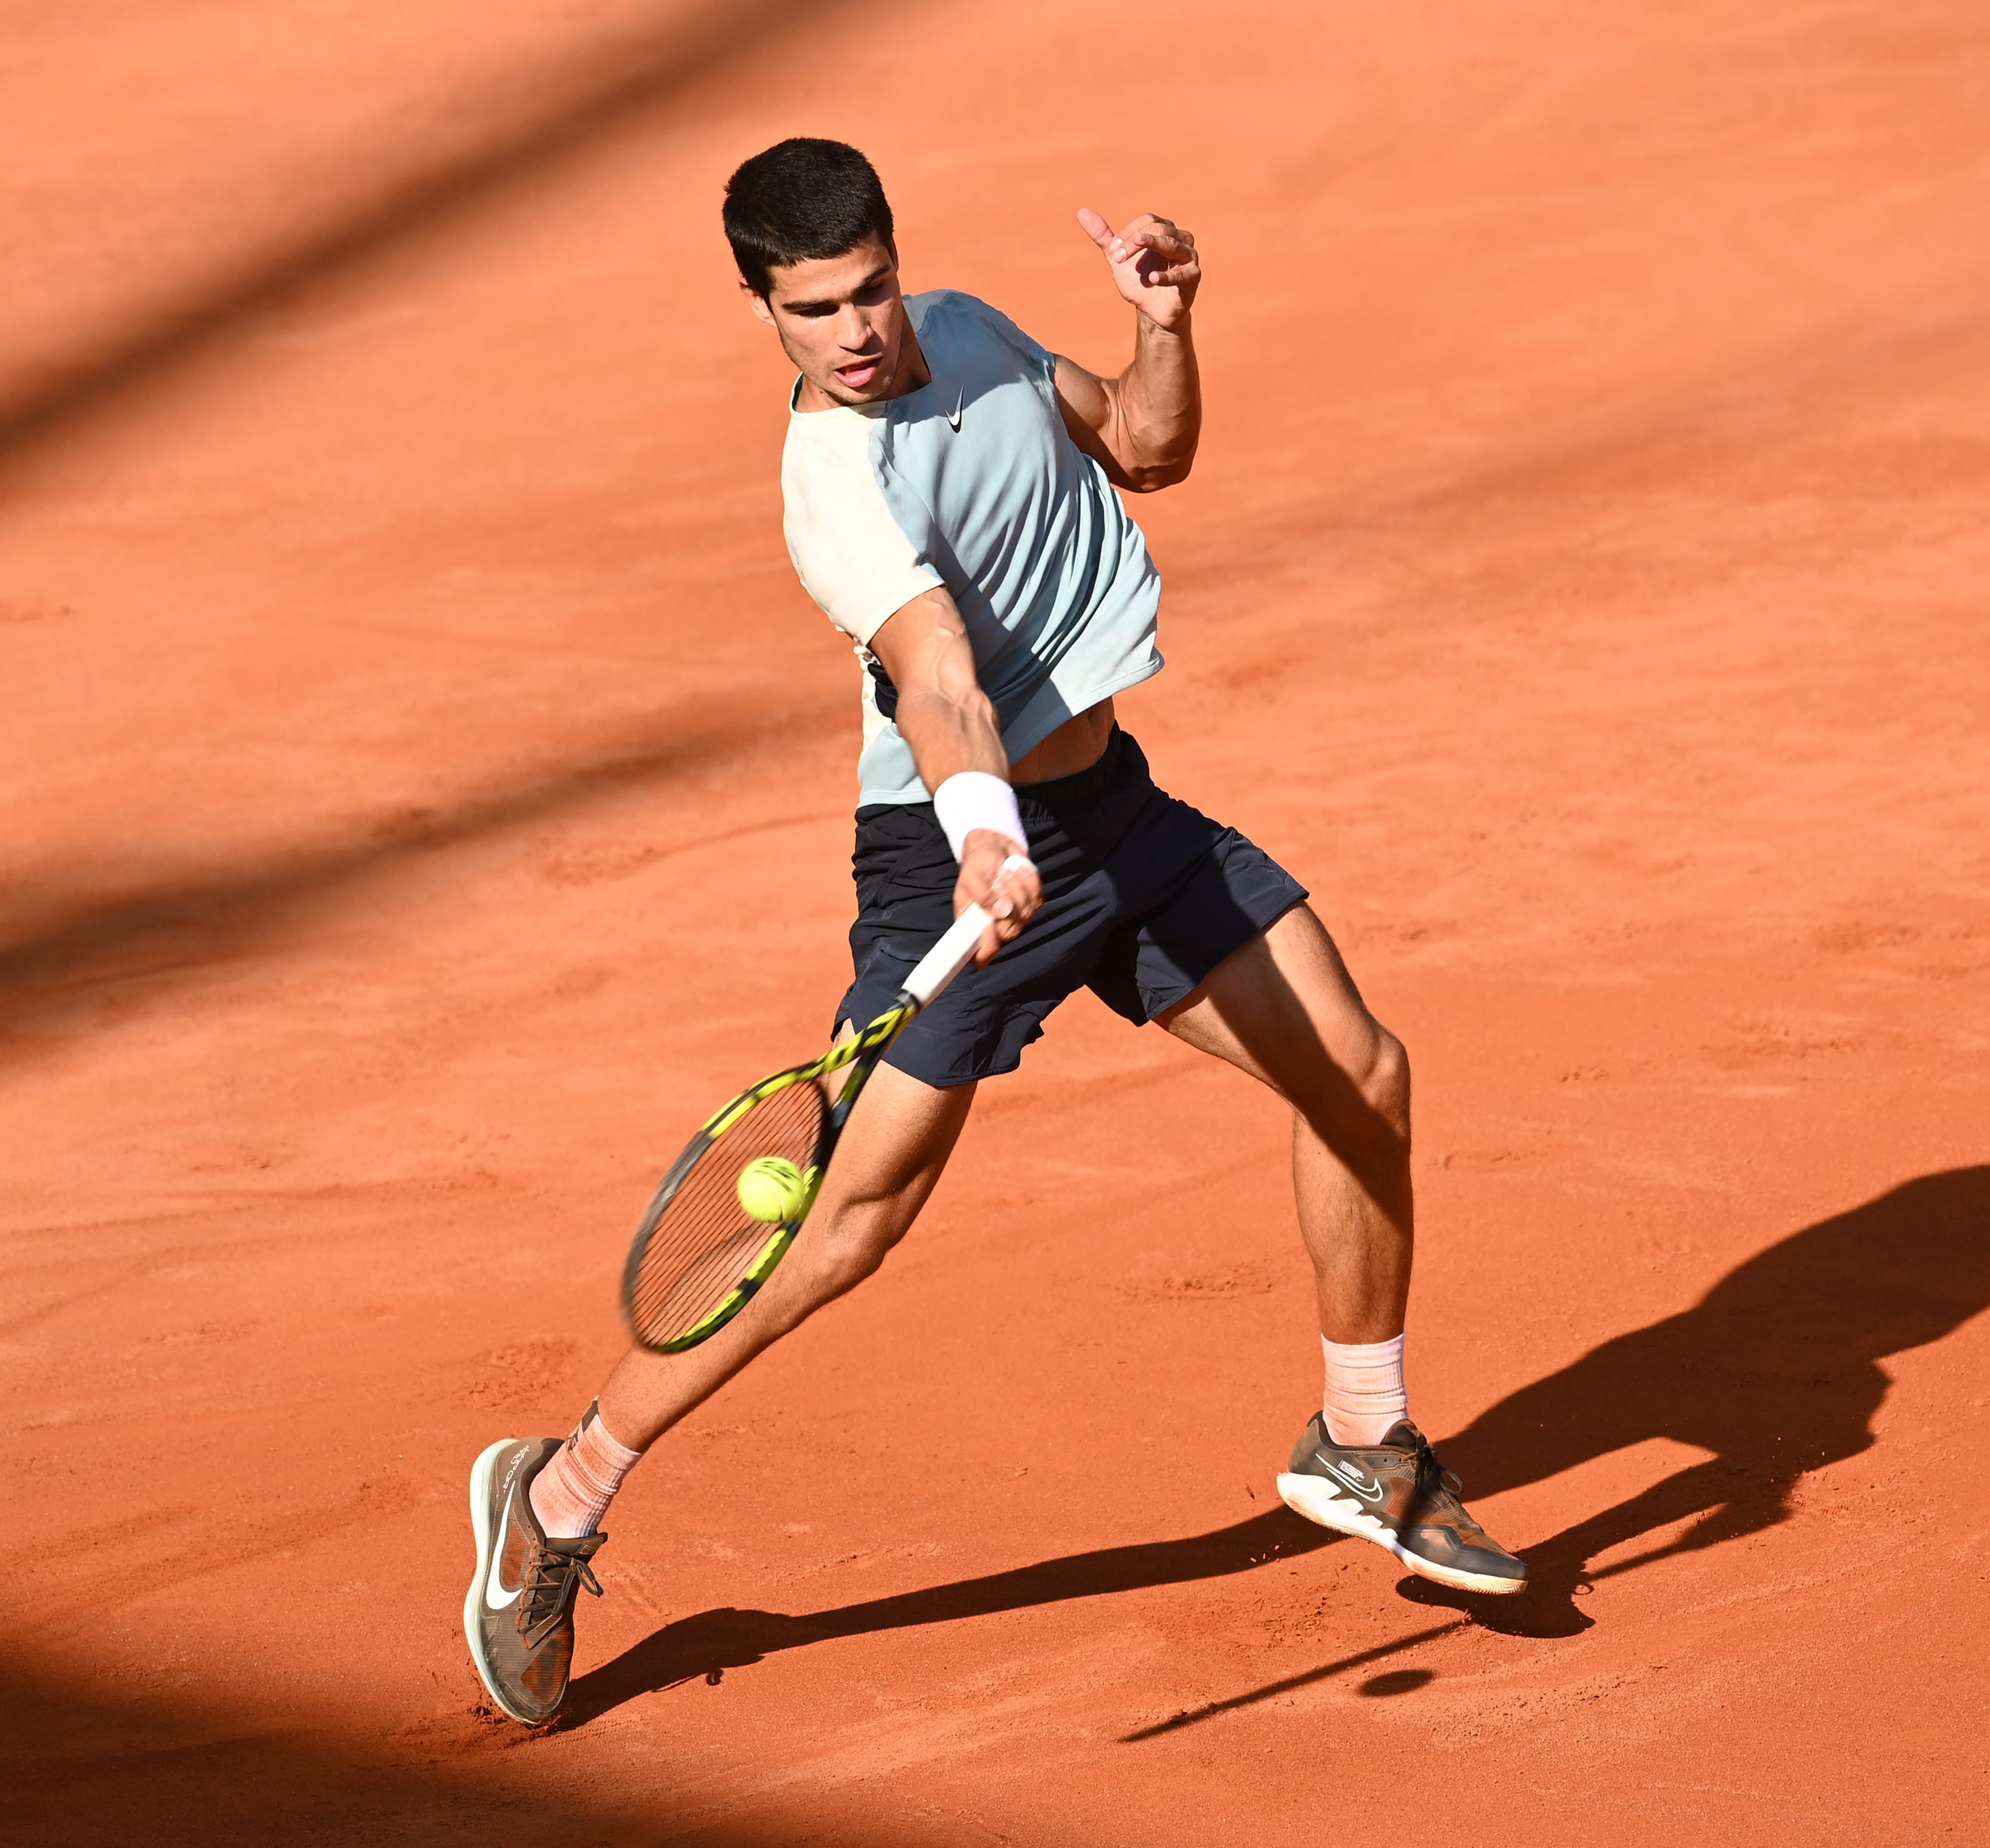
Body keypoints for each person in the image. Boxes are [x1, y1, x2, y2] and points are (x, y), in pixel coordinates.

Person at [462, 138, 1522, 1727]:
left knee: (1360, 1070)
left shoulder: (966, 327)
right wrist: (977, 832)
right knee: (841, 1231)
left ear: (900, 259)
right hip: (947, 862)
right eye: (814, 309)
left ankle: (1361, 1437)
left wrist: (1162, 324)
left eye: (871, 287)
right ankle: (556, 1494)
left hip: (1116, 824)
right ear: (761, 306)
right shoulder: (830, 486)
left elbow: (1147, 450)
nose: (858, 332)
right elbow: (937, 672)